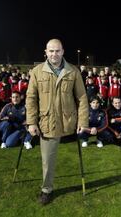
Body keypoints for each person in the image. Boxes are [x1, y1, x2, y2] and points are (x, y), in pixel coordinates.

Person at [26, 39, 88, 205]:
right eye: (51, 51)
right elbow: (31, 98)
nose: (54, 54)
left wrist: (83, 121)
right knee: (48, 160)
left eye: (57, 51)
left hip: (69, 121)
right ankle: (47, 189)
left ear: (63, 51)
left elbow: (82, 97)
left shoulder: (73, 71)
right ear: (45, 51)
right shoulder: (37, 71)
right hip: (47, 122)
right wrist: (31, 122)